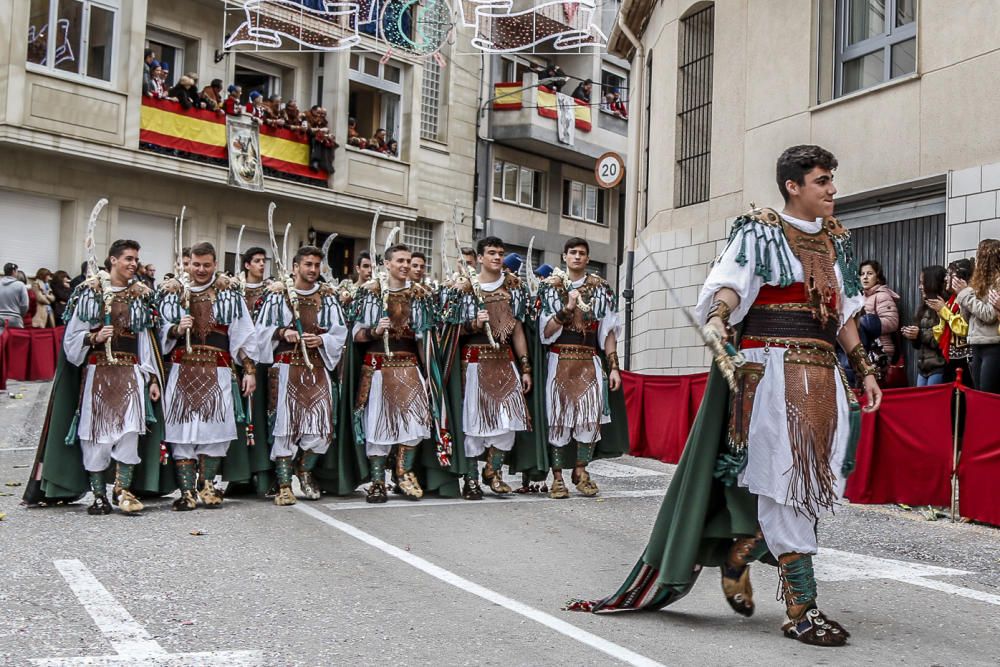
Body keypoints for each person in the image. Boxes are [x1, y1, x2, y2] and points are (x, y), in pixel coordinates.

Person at [568, 145, 881, 648]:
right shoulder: (758, 230)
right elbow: (729, 287)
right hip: (770, 374)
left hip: (822, 376)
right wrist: (716, 317)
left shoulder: (836, 241)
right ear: (792, 187)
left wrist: (863, 367)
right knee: (784, 486)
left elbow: (843, 314)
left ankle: (741, 553)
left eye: (831, 180)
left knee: (807, 486)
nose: (832, 189)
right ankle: (801, 608)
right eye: (822, 180)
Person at [60, 241, 162, 514]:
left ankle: (124, 491)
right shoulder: (89, 293)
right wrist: (93, 337)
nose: (133, 264)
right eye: (128, 258)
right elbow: (71, 340)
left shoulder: (141, 295)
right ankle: (98, 496)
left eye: (136, 259)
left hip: (130, 372)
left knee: (129, 432)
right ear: (113, 260)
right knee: (97, 435)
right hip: (98, 372)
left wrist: (151, 378)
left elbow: (145, 342)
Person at [158, 242, 258, 511]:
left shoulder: (228, 294)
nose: (201, 270)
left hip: (219, 371)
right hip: (182, 370)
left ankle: (207, 484)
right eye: (196, 264)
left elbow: (243, 334)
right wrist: (177, 330)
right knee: (181, 431)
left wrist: (249, 370)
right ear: (187, 263)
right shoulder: (174, 294)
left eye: (206, 264)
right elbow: (158, 332)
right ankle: (186, 491)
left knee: (216, 431)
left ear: (215, 264)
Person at [256, 246, 348, 505]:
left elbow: (340, 333)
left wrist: (321, 339)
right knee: (284, 428)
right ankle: (284, 484)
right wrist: (282, 333)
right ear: (295, 267)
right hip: (286, 368)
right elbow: (260, 331)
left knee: (321, 430)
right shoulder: (278, 296)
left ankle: (304, 469)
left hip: (317, 368)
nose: (313, 270)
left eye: (317, 265)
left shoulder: (327, 298)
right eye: (308, 264)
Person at [445, 237, 533, 498]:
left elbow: (517, 329)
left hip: (505, 362)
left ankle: (492, 472)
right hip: (474, 364)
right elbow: (447, 330)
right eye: (491, 253)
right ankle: (471, 481)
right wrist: (472, 324)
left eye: (500, 253)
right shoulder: (463, 290)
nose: (497, 257)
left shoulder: (514, 287)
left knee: (510, 422)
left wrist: (526, 367)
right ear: (480, 257)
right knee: (474, 424)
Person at [351, 244, 438, 503]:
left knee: (415, 424)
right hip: (377, 367)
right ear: (387, 264)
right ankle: (378, 481)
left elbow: (423, 340)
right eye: (399, 260)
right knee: (377, 426)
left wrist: (428, 374)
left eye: (408, 261)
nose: (405, 265)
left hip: (409, 366)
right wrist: (375, 332)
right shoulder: (370, 294)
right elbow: (356, 334)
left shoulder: (419, 296)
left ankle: (403, 473)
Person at [538, 238, 623, 498]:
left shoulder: (601, 288)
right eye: (572, 252)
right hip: (558, 358)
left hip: (589, 360)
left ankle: (581, 471)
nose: (577, 256)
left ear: (588, 259)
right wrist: (567, 309)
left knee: (589, 419)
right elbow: (545, 332)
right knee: (558, 420)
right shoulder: (549, 288)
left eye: (582, 253)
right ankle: (557, 477)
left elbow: (608, 331)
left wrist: (614, 366)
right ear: (564, 256)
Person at [958, 239, 1000, 393]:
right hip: (976, 342)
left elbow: (989, 315)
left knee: (987, 390)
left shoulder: (998, 282)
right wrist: (964, 296)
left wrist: (965, 295)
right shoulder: (978, 282)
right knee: (978, 391)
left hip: (993, 343)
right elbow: (966, 318)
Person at [901, 266, 949, 386]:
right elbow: (918, 344)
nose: (920, 287)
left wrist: (920, 334)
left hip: (939, 367)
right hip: (922, 369)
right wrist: (912, 335)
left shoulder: (944, 307)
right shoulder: (923, 308)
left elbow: (942, 339)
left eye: (923, 283)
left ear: (932, 284)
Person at [940, 259, 973, 385]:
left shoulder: (968, 298)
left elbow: (963, 329)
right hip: (950, 357)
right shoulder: (950, 301)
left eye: (950, 275)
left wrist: (943, 311)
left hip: (965, 358)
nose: (946, 278)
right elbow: (941, 332)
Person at [240, 247, 269, 316]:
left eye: (263, 261)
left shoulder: (269, 289)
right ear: (247, 265)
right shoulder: (238, 289)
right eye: (257, 261)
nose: (262, 264)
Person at [0, 262, 29, 330]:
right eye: (17, 271)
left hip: (0, 318)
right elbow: (25, 305)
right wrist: (20, 314)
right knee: (16, 339)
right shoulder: (21, 285)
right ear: (13, 271)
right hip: (15, 319)